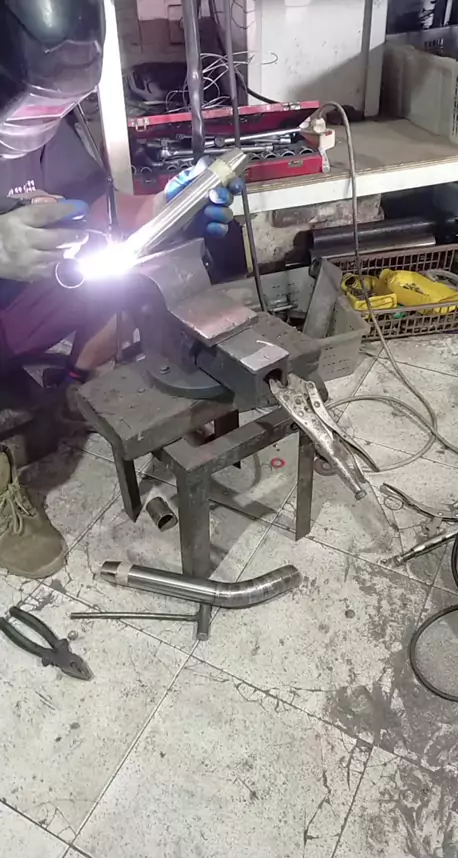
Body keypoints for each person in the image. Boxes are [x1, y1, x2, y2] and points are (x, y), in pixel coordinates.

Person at [0, 0, 241, 580]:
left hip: (17, 303)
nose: (43, 119)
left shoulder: (50, 127)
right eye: (35, 102)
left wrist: (165, 209)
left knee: (127, 272)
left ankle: (69, 391)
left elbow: (99, 211)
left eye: (58, 103)